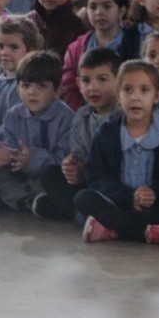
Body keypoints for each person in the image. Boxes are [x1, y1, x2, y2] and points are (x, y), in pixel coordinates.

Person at [76, 60, 159, 245]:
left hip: (154, 205)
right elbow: (95, 173)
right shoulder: (108, 132)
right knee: (83, 198)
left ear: (157, 95)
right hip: (119, 202)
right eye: (127, 90)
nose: (135, 97)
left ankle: (113, 228)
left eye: (144, 90)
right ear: (118, 96)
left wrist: (155, 192)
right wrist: (127, 196)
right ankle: (148, 232)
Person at [39, 47, 122, 222]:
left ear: (119, 82)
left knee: (90, 196)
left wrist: (87, 170)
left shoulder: (125, 116)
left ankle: (81, 213)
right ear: (78, 84)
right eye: (86, 80)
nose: (93, 87)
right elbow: (79, 155)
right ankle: (83, 212)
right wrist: (72, 166)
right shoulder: (81, 116)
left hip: (114, 183)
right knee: (50, 174)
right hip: (89, 181)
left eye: (102, 80)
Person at [0, 51, 72, 213]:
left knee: (54, 178)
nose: (32, 92)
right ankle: (28, 201)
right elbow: (5, 144)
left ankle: (27, 198)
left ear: (57, 91)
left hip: (47, 177)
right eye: (26, 85)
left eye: (41, 86)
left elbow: (64, 159)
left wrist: (31, 159)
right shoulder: (13, 115)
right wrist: (7, 156)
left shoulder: (66, 118)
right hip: (19, 174)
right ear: (17, 88)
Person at [59, 0, 141, 109]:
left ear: (121, 11)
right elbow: (70, 88)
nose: (99, 12)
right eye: (93, 7)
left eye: (107, 6)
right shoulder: (76, 48)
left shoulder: (136, 43)